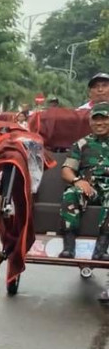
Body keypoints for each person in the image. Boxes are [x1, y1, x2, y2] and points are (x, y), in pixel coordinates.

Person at [59, 101, 109, 259]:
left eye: (104, 118)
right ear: (90, 121)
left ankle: (101, 249)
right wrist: (76, 181)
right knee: (71, 193)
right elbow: (66, 170)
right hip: (88, 185)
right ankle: (69, 246)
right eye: (96, 119)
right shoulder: (82, 144)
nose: (99, 122)